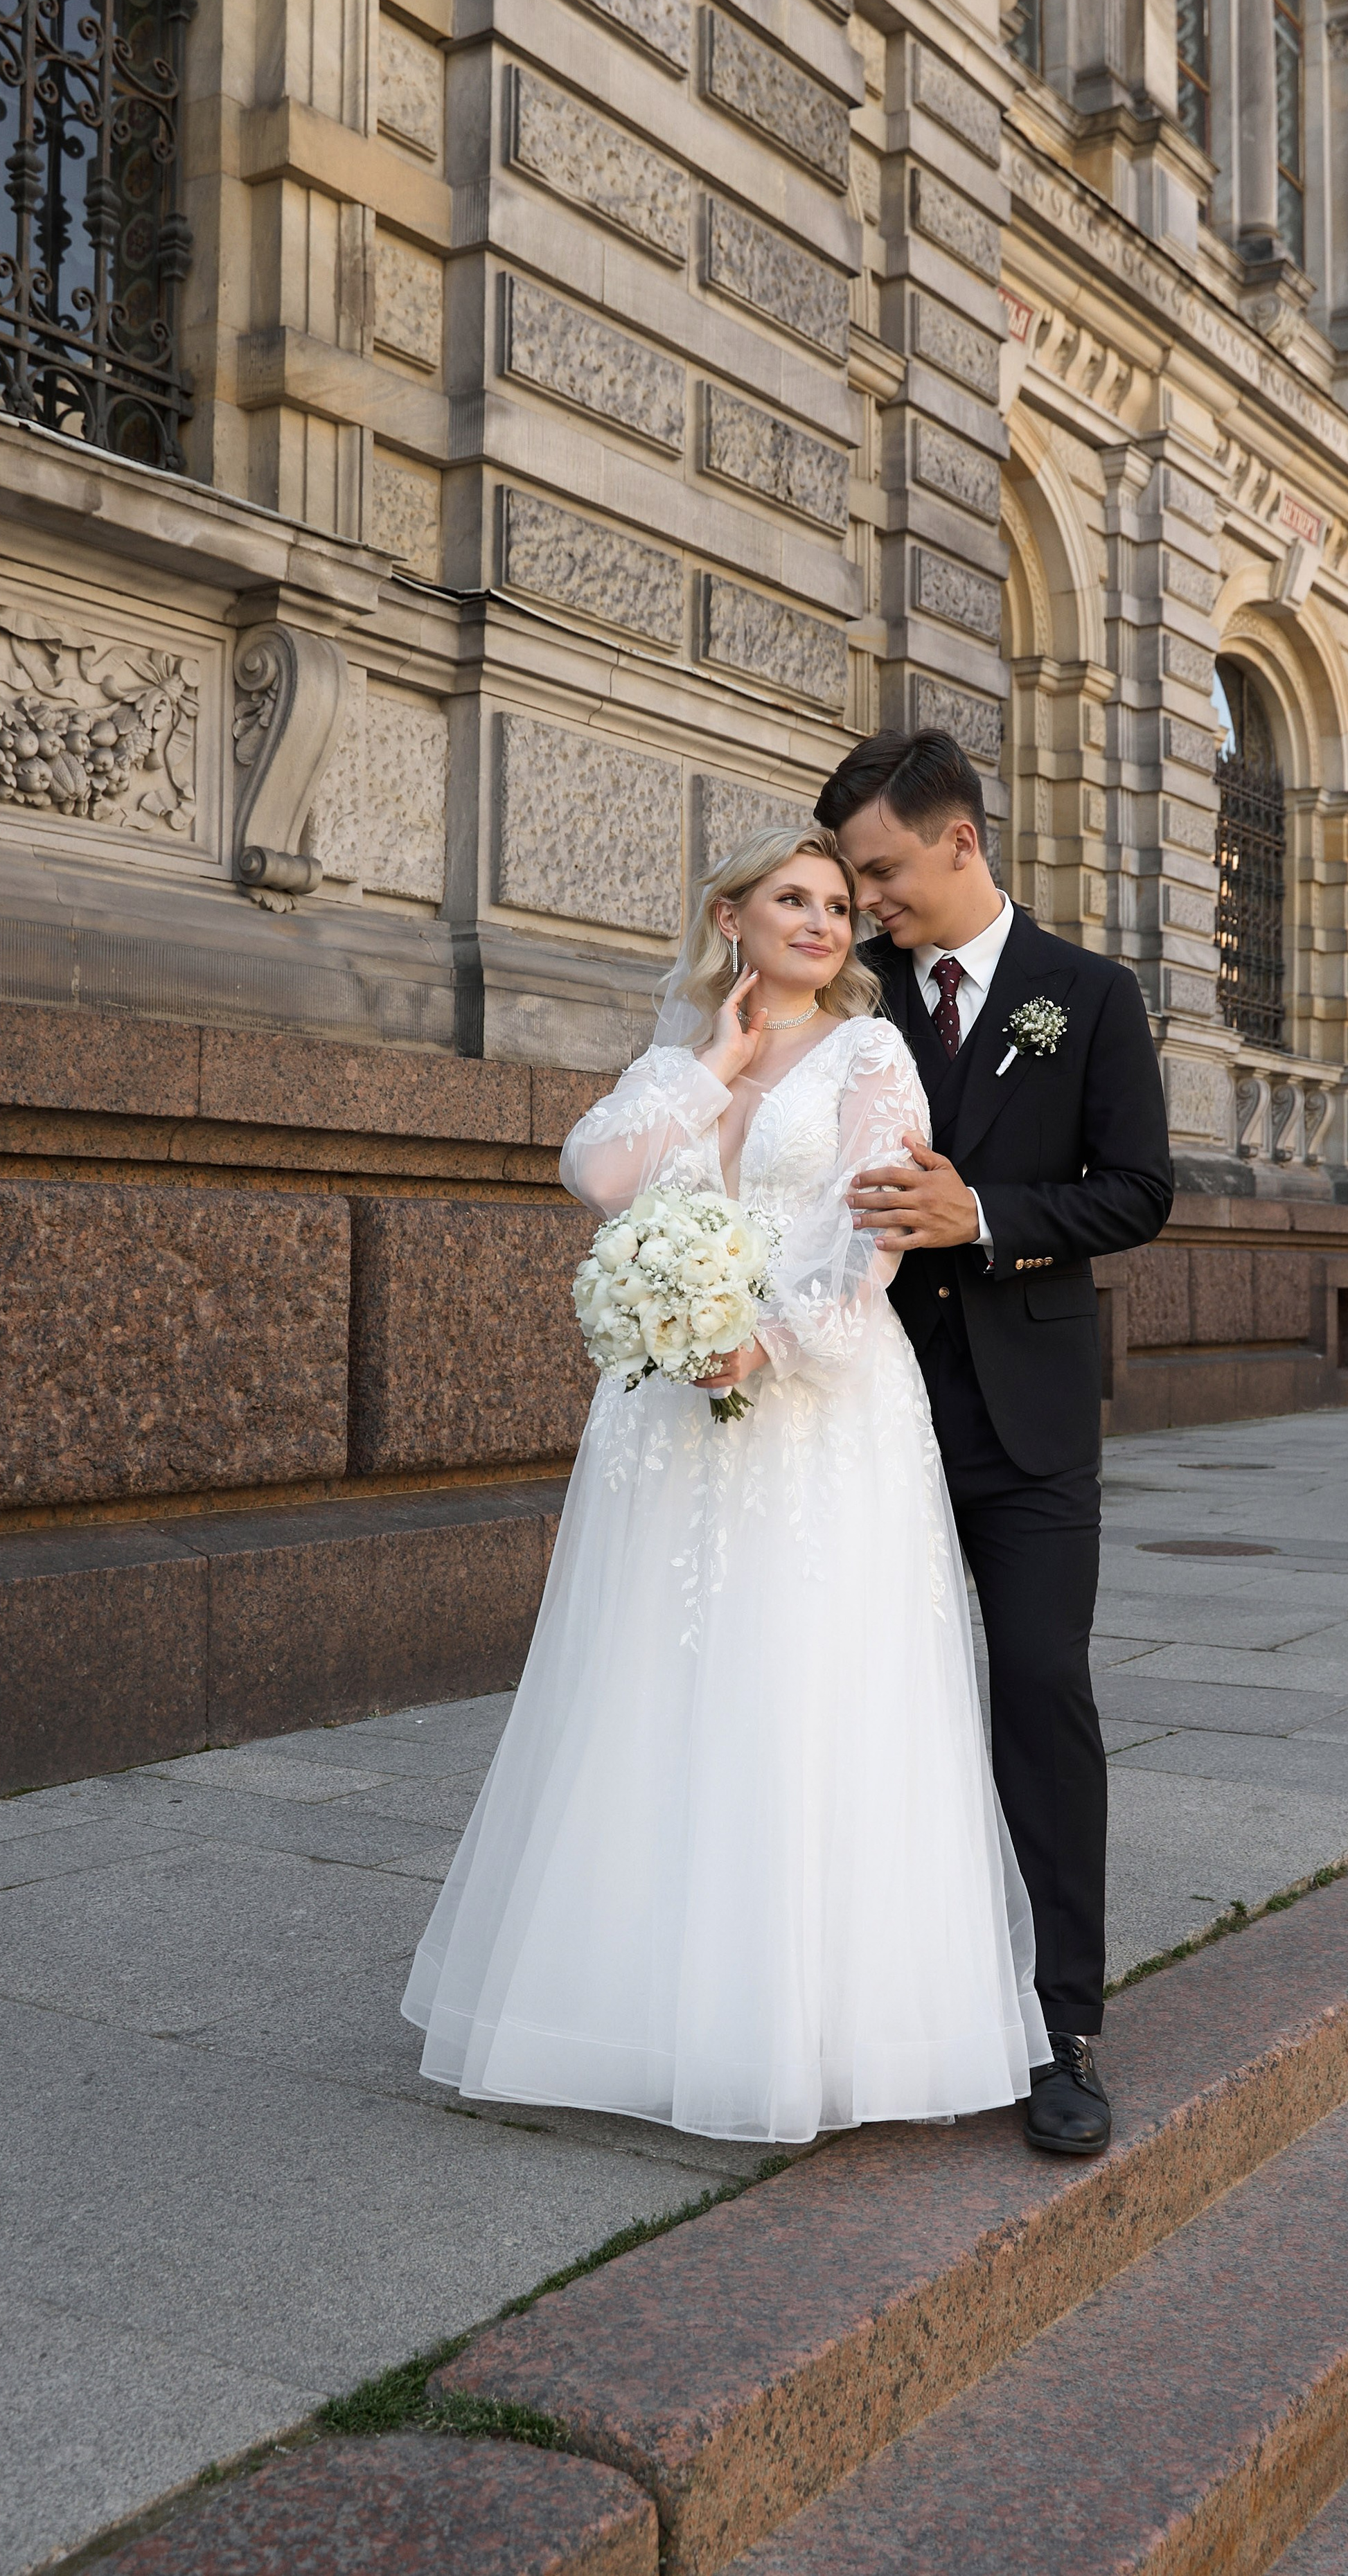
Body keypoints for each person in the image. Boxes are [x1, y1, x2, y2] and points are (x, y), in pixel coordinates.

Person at [401, 824, 1051, 2142]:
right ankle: (643, 2016)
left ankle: (816, 2032)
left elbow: (877, 1234)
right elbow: (596, 1174)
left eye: (834, 906)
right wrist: (716, 1066)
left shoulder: (876, 1053)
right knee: (658, 1681)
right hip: (670, 1429)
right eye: (792, 901)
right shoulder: (680, 1059)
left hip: (821, 1406)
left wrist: (767, 1336)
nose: (821, 923)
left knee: (808, 1683)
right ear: (733, 918)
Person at [814, 730, 1173, 2156]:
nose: (865, 900)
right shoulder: (850, 998)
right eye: (851, 878)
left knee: (1037, 1693)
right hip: (865, 1408)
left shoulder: (1087, 995)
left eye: (882, 870)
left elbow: (1137, 1190)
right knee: (867, 1706)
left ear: (959, 840)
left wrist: (987, 1220)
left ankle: (1062, 2023)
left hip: (1025, 1422)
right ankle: (866, 2012)